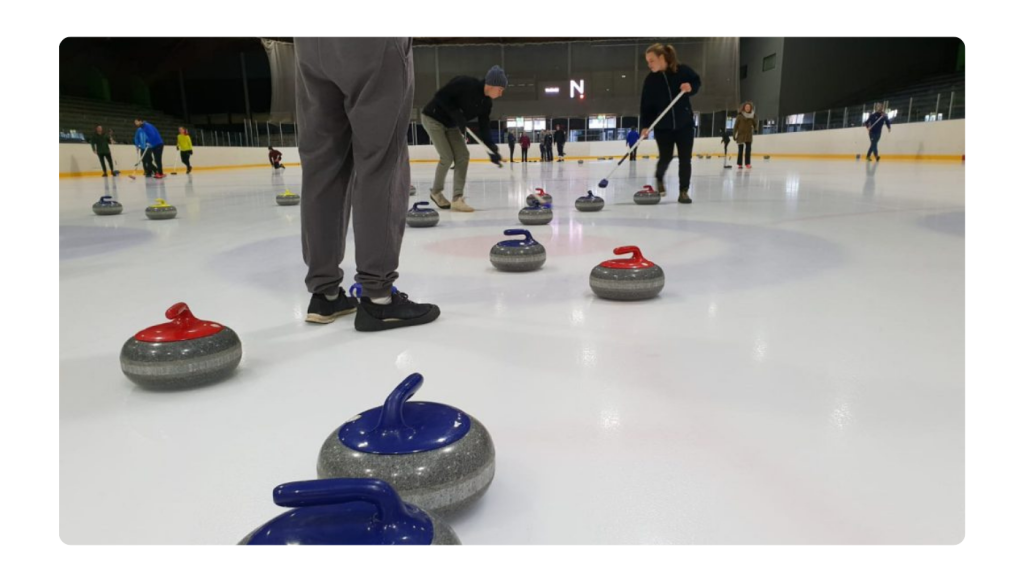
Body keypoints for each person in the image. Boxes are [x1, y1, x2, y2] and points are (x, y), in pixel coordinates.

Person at [295, 35, 440, 332]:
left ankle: (325, 294)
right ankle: (379, 298)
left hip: (310, 46)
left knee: (321, 166)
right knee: (381, 162)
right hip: (371, 45)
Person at [421, 66, 507, 213]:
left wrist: (492, 149)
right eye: (500, 89)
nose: (501, 93)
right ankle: (436, 192)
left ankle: (457, 199)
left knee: (463, 156)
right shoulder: (466, 83)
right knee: (447, 157)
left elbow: (484, 126)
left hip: (452, 124)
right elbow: (441, 96)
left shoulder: (486, 103)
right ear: (491, 84)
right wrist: (456, 113)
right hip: (433, 118)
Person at [640, 43, 701, 204]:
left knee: (685, 159)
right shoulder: (651, 80)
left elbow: (696, 81)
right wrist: (645, 126)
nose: (649, 64)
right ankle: (659, 177)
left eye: (651, 61)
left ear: (662, 58)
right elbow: (646, 106)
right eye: (648, 61)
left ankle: (683, 191)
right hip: (663, 128)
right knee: (665, 157)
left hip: (685, 125)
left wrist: (690, 87)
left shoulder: (682, 71)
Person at [734, 102, 757, 170]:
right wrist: (734, 134)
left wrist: (756, 129)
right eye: (746, 107)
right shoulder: (739, 116)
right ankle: (740, 164)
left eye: (749, 107)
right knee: (740, 150)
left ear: (750, 108)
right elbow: (735, 126)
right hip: (741, 135)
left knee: (748, 150)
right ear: (744, 108)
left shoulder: (752, 116)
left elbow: (755, 123)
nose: (747, 108)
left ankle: (747, 163)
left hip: (748, 135)